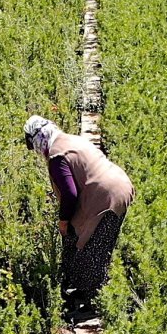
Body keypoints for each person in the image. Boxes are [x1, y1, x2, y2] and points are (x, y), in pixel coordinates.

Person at [23, 115, 134, 321]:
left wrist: (63, 221)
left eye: (33, 145)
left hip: (107, 199)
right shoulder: (70, 140)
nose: (36, 151)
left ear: (39, 138)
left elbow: (70, 194)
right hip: (117, 186)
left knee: (94, 252)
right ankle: (85, 291)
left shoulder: (57, 157)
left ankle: (94, 306)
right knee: (91, 247)